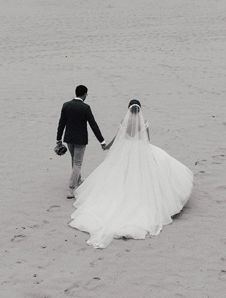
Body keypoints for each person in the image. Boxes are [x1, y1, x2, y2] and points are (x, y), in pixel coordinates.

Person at [69, 99, 193, 248]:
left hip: (126, 151)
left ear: (129, 109)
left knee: (120, 175)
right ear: (139, 109)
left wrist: (107, 146)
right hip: (140, 150)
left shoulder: (124, 121)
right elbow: (148, 139)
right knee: (144, 174)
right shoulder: (144, 121)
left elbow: (119, 137)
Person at [56, 85, 105, 199]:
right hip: (81, 140)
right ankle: (71, 189)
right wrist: (101, 141)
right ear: (84, 95)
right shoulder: (85, 108)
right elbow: (93, 125)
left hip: (69, 138)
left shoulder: (66, 105)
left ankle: (78, 179)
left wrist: (58, 139)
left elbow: (61, 123)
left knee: (74, 160)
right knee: (77, 163)